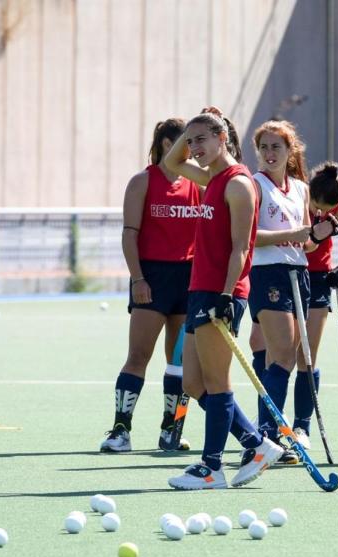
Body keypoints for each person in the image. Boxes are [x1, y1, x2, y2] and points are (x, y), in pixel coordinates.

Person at [162, 107, 284, 490]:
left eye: (202, 139)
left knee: (218, 382)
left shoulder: (237, 184)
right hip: (199, 289)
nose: (194, 147)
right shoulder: (210, 177)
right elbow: (171, 161)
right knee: (194, 384)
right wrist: (193, 129)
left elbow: (240, 249)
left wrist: (228, 294)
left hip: (222, 292)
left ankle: (211, 466)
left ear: (223, 139)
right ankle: (254, 443)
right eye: (191, 139)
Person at [101, 118, 200, 453]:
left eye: (190, 144)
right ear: (162, 145)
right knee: (138, 355)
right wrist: (138, 278)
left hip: (188, 279)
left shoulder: (197, 184)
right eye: (180, 143)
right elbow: (130, 234)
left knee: (179, 362)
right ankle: (120, 430)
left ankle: (172, 429)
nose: (186, 150)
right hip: (152, 278)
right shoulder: (143, 181)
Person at [244, 120, 338, 466]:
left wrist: (319, 232)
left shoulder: (300, 188)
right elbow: (250, 236)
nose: (269, 154)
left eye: (276, 148)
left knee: (285, 356)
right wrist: (300, 233)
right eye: (264, 147)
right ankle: (266, 436)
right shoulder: (253, 185)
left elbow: (306, 244)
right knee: (282, 352)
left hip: (298, 273)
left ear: (290, 151)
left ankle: (274, 433)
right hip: (267, 273)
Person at [290, 162, 338, 445]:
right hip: (289, 275)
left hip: (319, 280)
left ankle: (302, 427)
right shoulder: (296, 199)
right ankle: (271, 424)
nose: (321, 213)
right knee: (281, 354)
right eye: (317, 206)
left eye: (327, 209)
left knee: (307, 356)